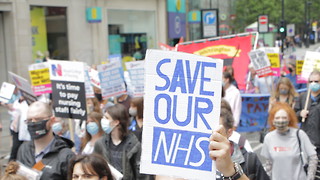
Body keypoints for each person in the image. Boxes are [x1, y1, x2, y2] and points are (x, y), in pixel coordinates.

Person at [16, 101, 75, 180]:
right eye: (29, 120)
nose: (33, 124)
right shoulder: (23, 149)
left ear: (52, 120)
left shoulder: (66, 156)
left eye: (38, 119)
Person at [262, 102, 318, 180]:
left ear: (289, 119)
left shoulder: (300, 135)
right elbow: (268, 165)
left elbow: (313, 157)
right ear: (272, 119)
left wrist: (310, 177)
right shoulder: (269, 138)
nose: (281, 120)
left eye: (284, 117)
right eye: (277, 118)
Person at [94, 104, 145, 180]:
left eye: (107, 118)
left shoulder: (134, 145)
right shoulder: (100, 144)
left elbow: (140, 174)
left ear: (116, 122)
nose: (103, 120)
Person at [217, 108, 269, 179]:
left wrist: (233, 172)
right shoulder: (198, 162)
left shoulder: (250, 160)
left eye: (218, 130)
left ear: (229, 132)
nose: (212, 134)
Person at [294, 70, 320, 179]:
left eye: (316, 81)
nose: (313, 83)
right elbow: (294, 116)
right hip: (305, 142)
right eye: (311, 81)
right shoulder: (303, 97)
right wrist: (300, 113)